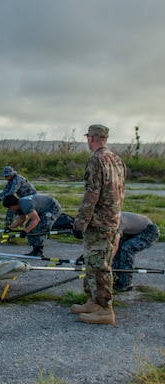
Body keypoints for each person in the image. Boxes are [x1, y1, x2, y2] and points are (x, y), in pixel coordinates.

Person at [70, 124, 127, 325]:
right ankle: (93, 301)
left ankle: (105, 309)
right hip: (112, 219)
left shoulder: (96, 160)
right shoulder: (117, 159)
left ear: (91, 138)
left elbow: (91, 194)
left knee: (99, 265)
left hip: (99, 221)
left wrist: (80, 222)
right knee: (93, 262)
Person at [112, 212, 159, 292]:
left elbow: (115, 246)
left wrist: (108, 260)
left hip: (149, 231)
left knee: (126, 249)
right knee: (120, 249)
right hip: (134, 232)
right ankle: (116, 278)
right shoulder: (110, 219)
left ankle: (126, 284)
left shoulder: (117, 222)